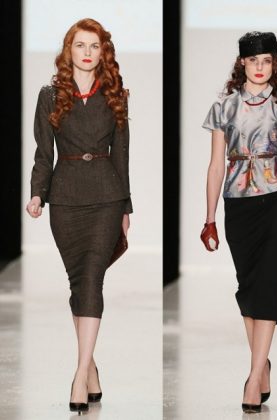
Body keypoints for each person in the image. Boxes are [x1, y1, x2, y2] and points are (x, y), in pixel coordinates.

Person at [199, 31, 277, 414]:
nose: (260, 67)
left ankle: (252, 377)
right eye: (253, 60)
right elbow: (215, 166)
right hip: (238, 204)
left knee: (266, 285)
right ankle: (263, 365)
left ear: (274, 64)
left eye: (266, 61)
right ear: (242, 64)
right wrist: (209, 219)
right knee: (247, 288)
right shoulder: (223, 108)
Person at [26, 18, 132, 414]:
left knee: (92, 279)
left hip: (106, 196)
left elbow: (122, 154)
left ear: (103, 53)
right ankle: (91, 367)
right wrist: (37, 194)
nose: (87, 53)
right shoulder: (50, 96)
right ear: (68, 51)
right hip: (66, 197)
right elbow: (43, 153)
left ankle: (78, 373)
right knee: (78, 283)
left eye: (94, 46)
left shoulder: (115, 94)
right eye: (80, 45)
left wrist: (126, 206)